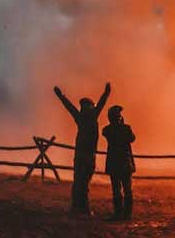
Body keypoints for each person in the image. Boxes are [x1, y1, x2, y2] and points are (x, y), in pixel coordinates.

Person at [53, 82, 111, 216]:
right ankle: (83, 208)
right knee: (84, 182)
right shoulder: (92, 115)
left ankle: (75, 207)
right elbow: (101, 103)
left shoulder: (79, 117)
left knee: (78, 180)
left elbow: (69, 106)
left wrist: (61, 96)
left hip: (79, 154)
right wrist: (106, 93)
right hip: (89, 155)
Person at [102, 105, 136, 221]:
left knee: (116, 189)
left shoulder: (107, 130)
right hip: (125, 163)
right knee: (127, 189)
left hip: (114, 163)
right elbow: (132, 138)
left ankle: (118, 213)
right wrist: (123, 123)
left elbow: (106, 133)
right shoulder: (126, 129)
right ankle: (127, 214)